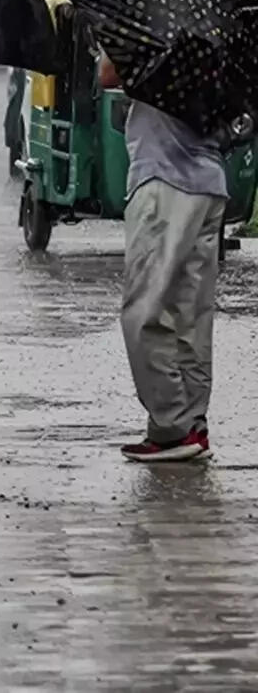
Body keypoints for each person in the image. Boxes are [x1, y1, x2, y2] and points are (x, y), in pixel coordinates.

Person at [103, 56, 228, 462]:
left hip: (164, 180)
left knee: (144, 311)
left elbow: (109, 73)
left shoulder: (149, 22)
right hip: (210, 182)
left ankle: (172, 427)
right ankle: (192, 424)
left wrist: (107, 44)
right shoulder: (214, 28)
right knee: (190, 313)